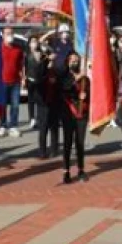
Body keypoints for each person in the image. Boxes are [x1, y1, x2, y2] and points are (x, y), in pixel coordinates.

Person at [60, 52, 89, 183]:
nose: (75, 63)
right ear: (67, 62)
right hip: (68, 112)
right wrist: (77, 78)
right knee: (68, 143)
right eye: (72, 60)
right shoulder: (65, 76)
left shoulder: (85, 79)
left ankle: (81, 169)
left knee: (80, 143)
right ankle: (66, 171)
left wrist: (85, 95)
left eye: (77, 60)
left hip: (81, 114)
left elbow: (89, 91)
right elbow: (65, 87)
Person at [0, 27, 25, 138]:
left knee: (15, 105)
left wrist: (23, 78)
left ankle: (13, 126)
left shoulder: (18, 49)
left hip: (15, 82)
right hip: (2, 81)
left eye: (11, 33)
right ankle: (3, 126)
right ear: (3, 35)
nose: (10, 35)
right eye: (7, 33)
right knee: (2, 105)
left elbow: (21, 65)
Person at [41, 43, 63, 159]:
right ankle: (43, 151)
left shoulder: (58, 70)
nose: (52, 60)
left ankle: (54, 149)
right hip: (43, 102)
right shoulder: (42, 69)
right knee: (43, 127)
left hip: (55, 101)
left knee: (54, 127)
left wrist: (56, 82)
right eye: (50, 57)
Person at [25, 36, 44, 133]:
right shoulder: (27, 54)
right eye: (32, 41)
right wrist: (24, 79)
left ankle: (40, 118)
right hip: (30, 80)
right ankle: (32, 118)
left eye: (36, 41)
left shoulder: (42, 54)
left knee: (39, 99)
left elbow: (44, 66)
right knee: (31, 100)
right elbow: (25, 67)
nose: (34, 43)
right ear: (29, 44)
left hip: (40, 81)